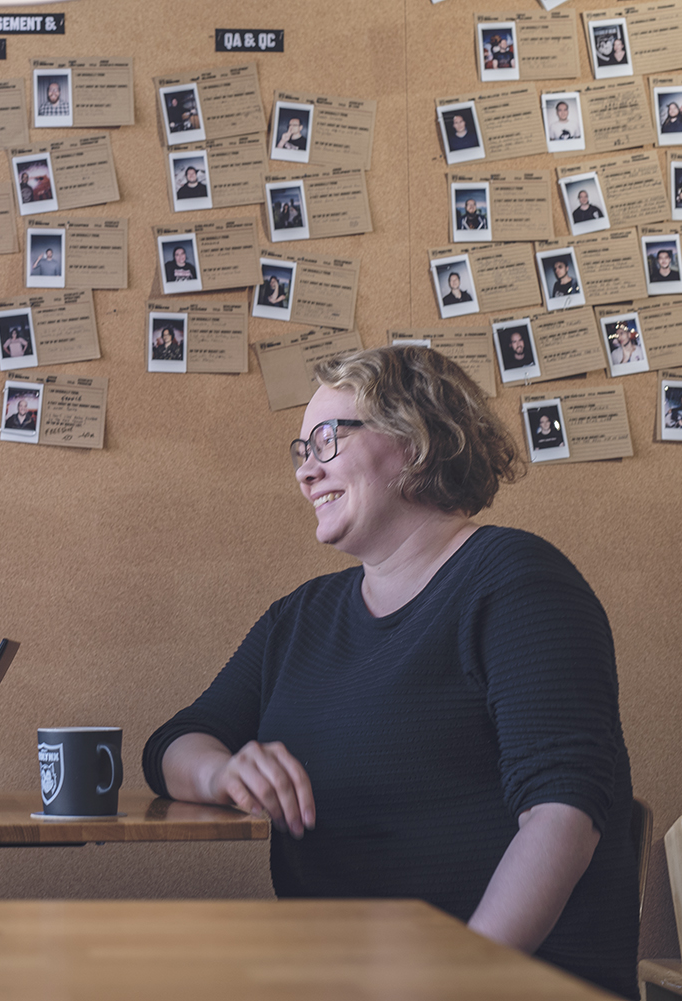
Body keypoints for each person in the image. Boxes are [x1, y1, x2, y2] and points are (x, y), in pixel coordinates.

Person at [143, 345, 636, 998]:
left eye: (326, 440)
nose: (306, 472)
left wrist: (452, 980)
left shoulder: (518, 582)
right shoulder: (302, 617)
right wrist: (222, 770)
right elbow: (174, 742)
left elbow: (562, 817)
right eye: (300, 451)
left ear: (415, 439)